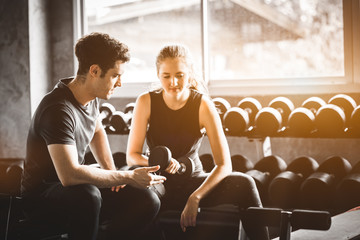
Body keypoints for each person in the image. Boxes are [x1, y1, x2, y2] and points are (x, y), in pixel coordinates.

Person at [21, 32, 166, 240]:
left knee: (146, 199)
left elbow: (97, 131)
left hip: (75, 190)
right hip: (42, 197)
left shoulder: (92, 98)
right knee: (88, 195)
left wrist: (111, 173)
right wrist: (128, 176)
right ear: (95, 71)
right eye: (115, 76)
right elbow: (69, 175)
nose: (119, 83)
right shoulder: (57, 109)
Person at [126, 44, 270, 239]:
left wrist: (196, 197)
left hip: (192, 182)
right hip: (158, 182)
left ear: (190, 74)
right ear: (158, 75)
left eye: (180, 75)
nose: (173, 82)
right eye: (166, 76)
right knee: (130, 189)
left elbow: (224, 164)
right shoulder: (146, 101)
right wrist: (160, 164)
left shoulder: (203, 105)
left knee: (245, 183)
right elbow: (132, 156)